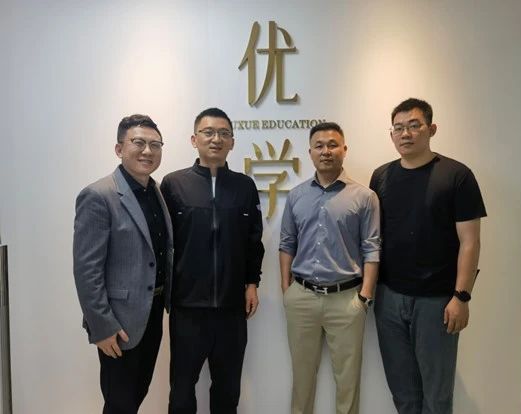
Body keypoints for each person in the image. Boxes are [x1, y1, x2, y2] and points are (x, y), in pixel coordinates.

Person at [369, 98, 487, 414]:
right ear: (391, 134)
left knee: (437, 396)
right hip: (389, 298)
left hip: (437, 301)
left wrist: (462, 296)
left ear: (431, 129)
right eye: (398, 128)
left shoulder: (457, 175)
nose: (405, 134)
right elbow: (373, 238)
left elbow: (470, 241)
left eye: (414, 125)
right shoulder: (381, 176)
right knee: (403, 393)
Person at [161, 107, 264, 414]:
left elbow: (253, 240)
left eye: (223, 133)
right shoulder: (173, 184)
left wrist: (252, 283)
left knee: (228, 389)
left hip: (232, 309)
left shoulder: (244, 186)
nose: (216, 139)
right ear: (194, 139)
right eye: (208, 132)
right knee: (182, 389)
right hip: (187, 308)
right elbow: (162, 244)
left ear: (232, 142)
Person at [73, 114, 173, 413]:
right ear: (119, 148)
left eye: (155, 144)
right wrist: (102, 327)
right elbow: (87, 269)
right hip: (118, 321)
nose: (147, 151)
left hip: (152, 311)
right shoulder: (98, 195)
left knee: (137, 393)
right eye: (138, 143)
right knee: (120, 402)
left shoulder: (156, 191)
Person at [279, 122, 380, 414]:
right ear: (310, 152)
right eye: (319, 146)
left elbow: (372, 247)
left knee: (348, 381)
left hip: (346, 300)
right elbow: (287, 243)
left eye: (333, 145)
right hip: (302, 297)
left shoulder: (364, 197)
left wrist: (364, 297)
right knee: (302, 378)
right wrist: (287, 290)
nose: (326, 151)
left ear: (344, 150)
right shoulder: (296, 195)